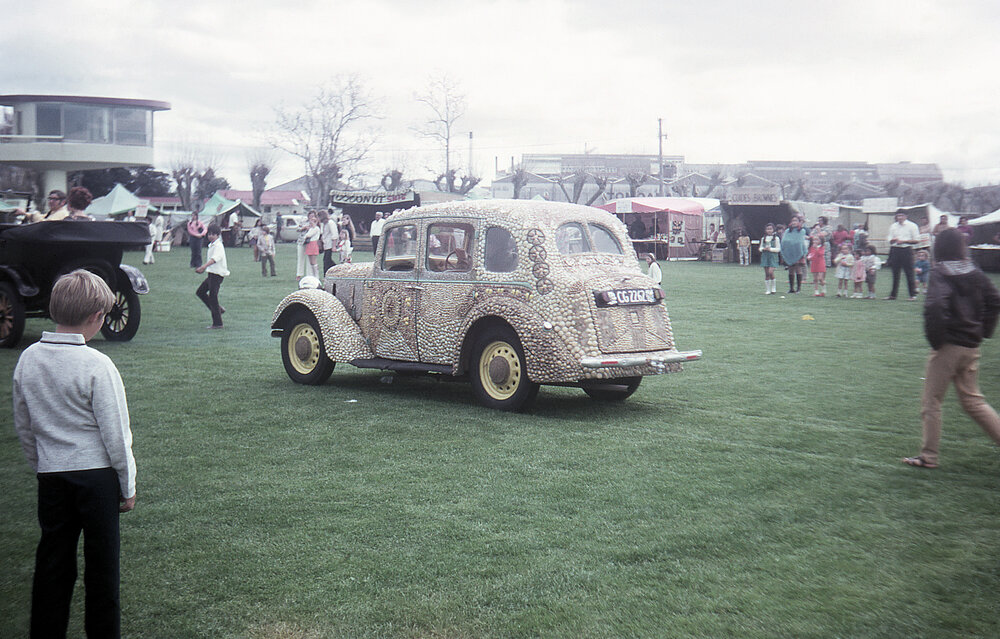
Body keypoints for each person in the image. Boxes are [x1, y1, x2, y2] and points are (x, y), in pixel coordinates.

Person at [13, 269, 136, 637]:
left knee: (52, 565)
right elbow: (117, 434)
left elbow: (25, 426)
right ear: (97, 317)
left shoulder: (28, 359)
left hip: (52, 478)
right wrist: (127, 486)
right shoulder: (98, 364)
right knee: (102, 572)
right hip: (96, 480)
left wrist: (43, 466)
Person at [903, 228, 1000, 469]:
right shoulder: (974, 271)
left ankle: (929, 456)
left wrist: (937, 340)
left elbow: (936, 305)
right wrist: (983, 330)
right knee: (973, 401)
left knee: (931, 401)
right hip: (971, 345)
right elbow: (995, 299)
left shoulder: (940, 272)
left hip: (949, 345)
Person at [195, 224, 228, 329]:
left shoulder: (218, 245)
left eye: (213, 234)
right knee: (200, 292)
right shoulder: (212, 245)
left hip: (217, 274)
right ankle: (219, 309)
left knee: (213, 297)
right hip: (212, 274)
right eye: (209, 234)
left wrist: (203, 267)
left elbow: (215, 259)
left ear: (218, 235)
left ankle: (218, 323)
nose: (210, 236)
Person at [885, 210, 920, 300]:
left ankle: (912, 295)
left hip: (906, 250)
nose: (899, 218)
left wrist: (904, 241)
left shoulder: (912, 226)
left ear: (906, 216)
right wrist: (893, 240)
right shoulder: (893, 226)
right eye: (898, 216)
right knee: (895, 273)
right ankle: (893, 295)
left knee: (909, 273)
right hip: (895, 250)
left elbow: (916, 240)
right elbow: (889, 238)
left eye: (901, 215)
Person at [780, 215, 809, 293]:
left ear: (799, 222)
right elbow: (784, 241)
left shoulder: (802, 231)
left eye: (796, 220)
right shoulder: (787, 231)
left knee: (798, 269)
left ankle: (798, 288)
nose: (794, 222)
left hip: (798, 252)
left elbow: (800, 242)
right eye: (793, 221)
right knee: (790, 270)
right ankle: (791, 288)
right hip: (790, 253)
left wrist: (800, 250)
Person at [759, 223, 781, 295]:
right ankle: (768, 289)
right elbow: (760, 248)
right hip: (765, 256)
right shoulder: (763, 238)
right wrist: (763, 249)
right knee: (766, 273)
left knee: (770, 272)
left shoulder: (776, 238)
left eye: (770, 229)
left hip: (773, 257)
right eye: (768, 229)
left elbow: (778, 249)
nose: (769, 230)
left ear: (773, 229)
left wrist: (770, 249)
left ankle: (773, 287)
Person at [318, 210, 337, 274]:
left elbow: (334, 234)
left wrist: (334, 246)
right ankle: (336, 269)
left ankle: (326, 274)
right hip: (325, 244)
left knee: (326, 260)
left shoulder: (330, 223)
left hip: (330, 244)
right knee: (328, 260)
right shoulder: (323, 224)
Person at [303, 213, 321, 279]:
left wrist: (306, 236)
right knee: (311, 261)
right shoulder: (311, 229)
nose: (310, 224)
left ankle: (316, 275)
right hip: (309, 244)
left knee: (314, 261)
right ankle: (313, 275)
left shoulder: (316, 228)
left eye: (312, 222)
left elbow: (308, 235)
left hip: (313, 244)